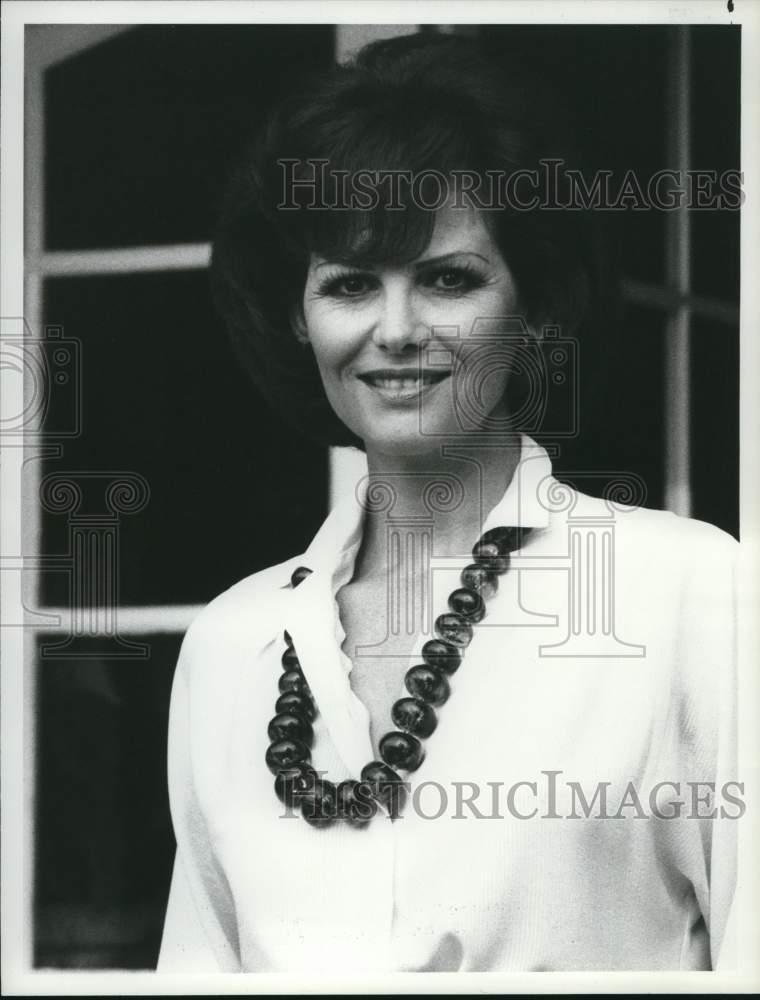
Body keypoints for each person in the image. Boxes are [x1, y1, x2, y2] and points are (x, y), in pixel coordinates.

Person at [157, 33, 738, 973]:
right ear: (296, 317)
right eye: (350, 284)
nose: (394, 331)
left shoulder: (692, 595)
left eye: (446, 279)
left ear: (534, 300)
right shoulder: (230, 647)